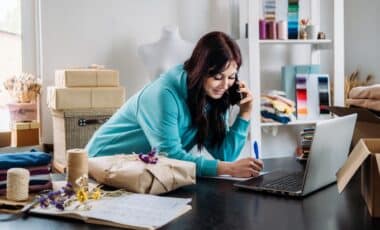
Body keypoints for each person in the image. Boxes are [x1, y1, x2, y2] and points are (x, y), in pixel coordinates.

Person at [86, 31, 263, 177]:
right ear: (201, 70)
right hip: (100, 166)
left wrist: (245, 114)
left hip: (138, 172)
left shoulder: (210, 97)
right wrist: (229, 169)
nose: (225, 85)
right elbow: (170, 157)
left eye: (231, 77)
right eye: (217, 77)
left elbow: (225, 154)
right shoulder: (163, 94)